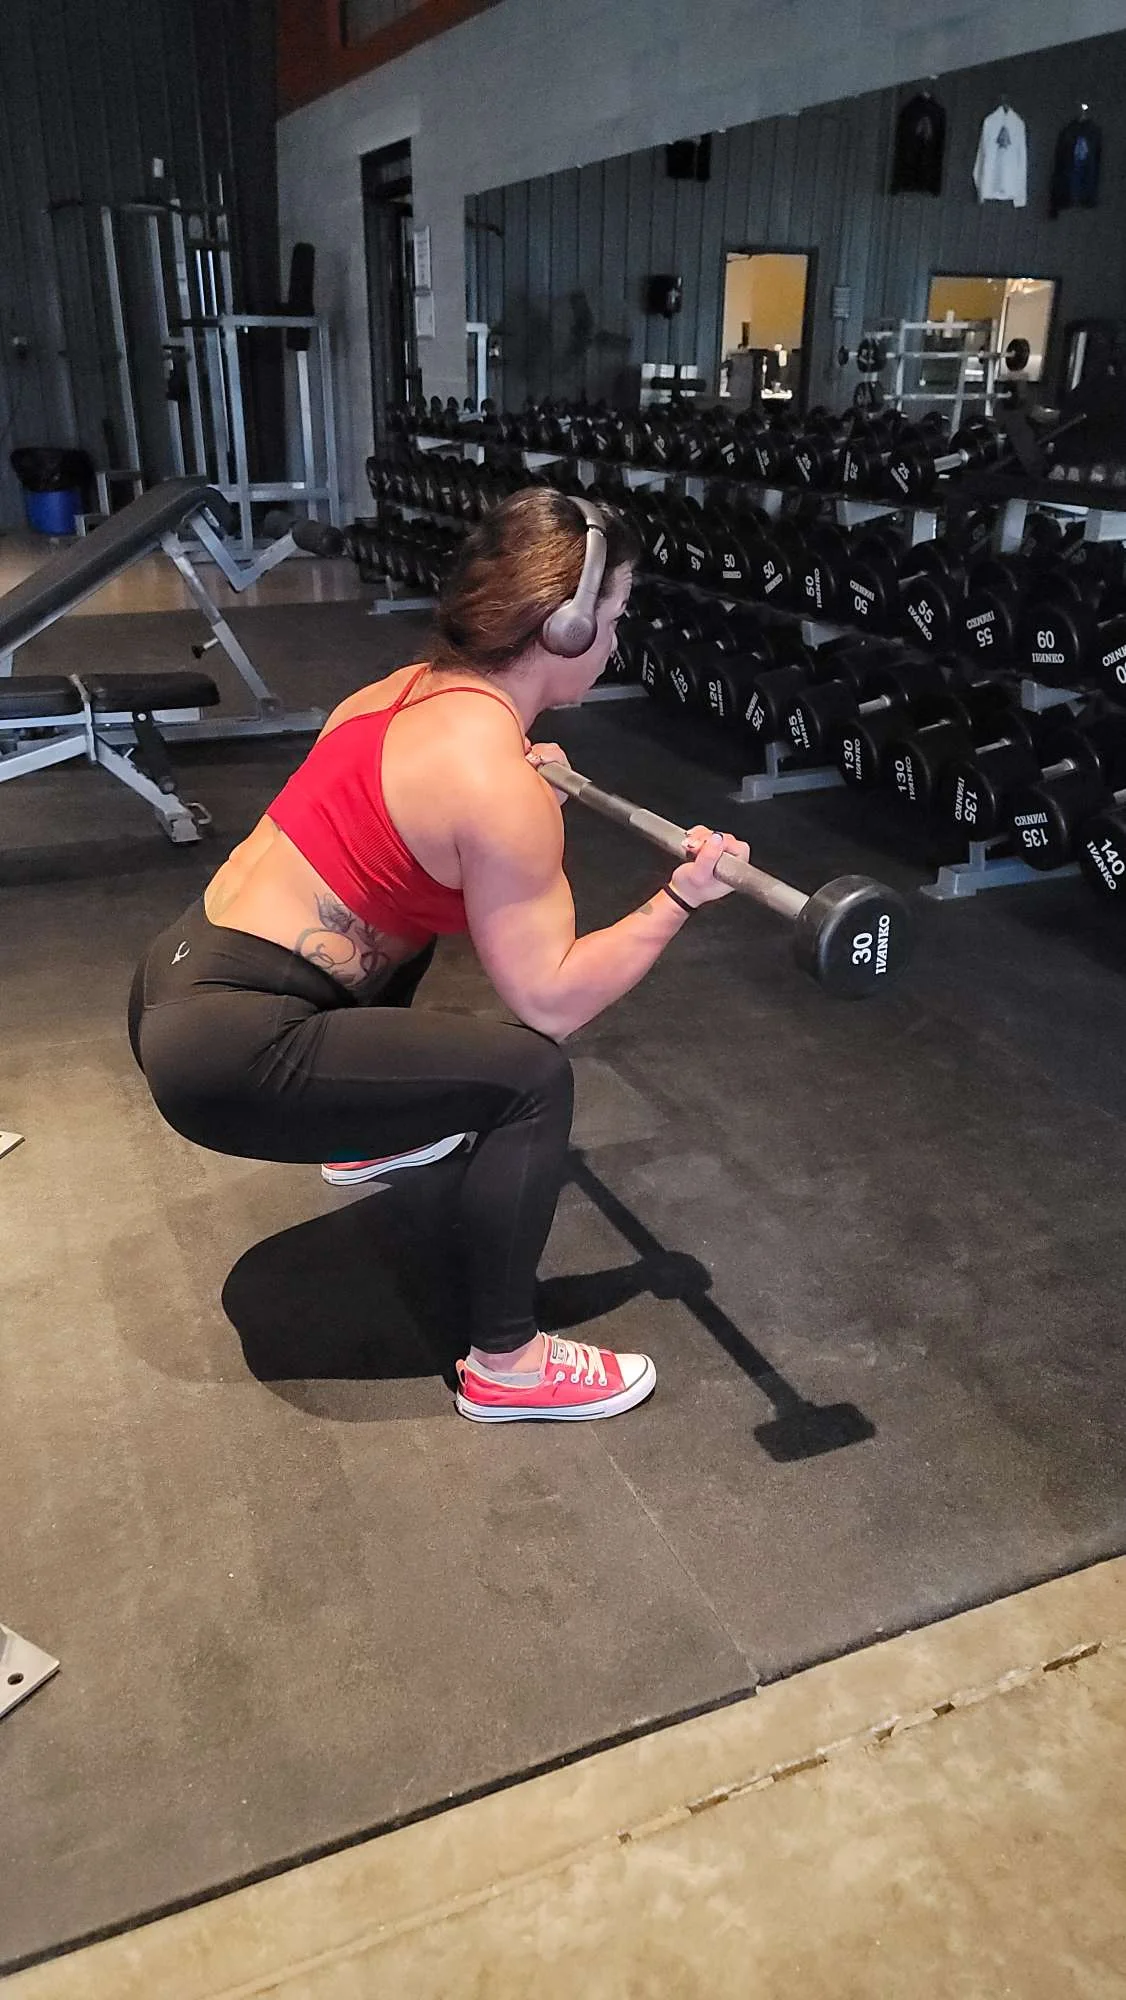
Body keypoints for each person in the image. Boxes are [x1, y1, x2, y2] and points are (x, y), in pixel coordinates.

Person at [128, 489, 749, 1423]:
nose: (617, 639)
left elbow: (407, 865)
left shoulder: (397, 691)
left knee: (405, 912)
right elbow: (551, 1001)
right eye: (616, 616)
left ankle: (366, 1131)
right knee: (531, 1079)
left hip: (173, 982)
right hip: (236, 1059)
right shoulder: (494, 781)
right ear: (566, 629)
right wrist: (679, 898)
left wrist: (516, 788)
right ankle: (508, 1365)